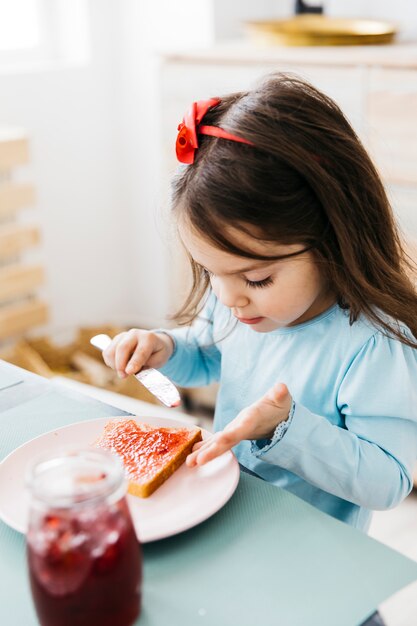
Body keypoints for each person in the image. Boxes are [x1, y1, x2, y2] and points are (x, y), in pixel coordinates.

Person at [103, 74, 417, 623]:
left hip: (316, 568)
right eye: (210, 272)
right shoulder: (234, 300)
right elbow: (206, 353)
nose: (228, 298)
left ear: (334, 237)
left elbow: (388, 483)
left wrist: (285, 427)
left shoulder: (374, 346)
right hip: (236, 527)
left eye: (257, 278)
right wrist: (163, 346)